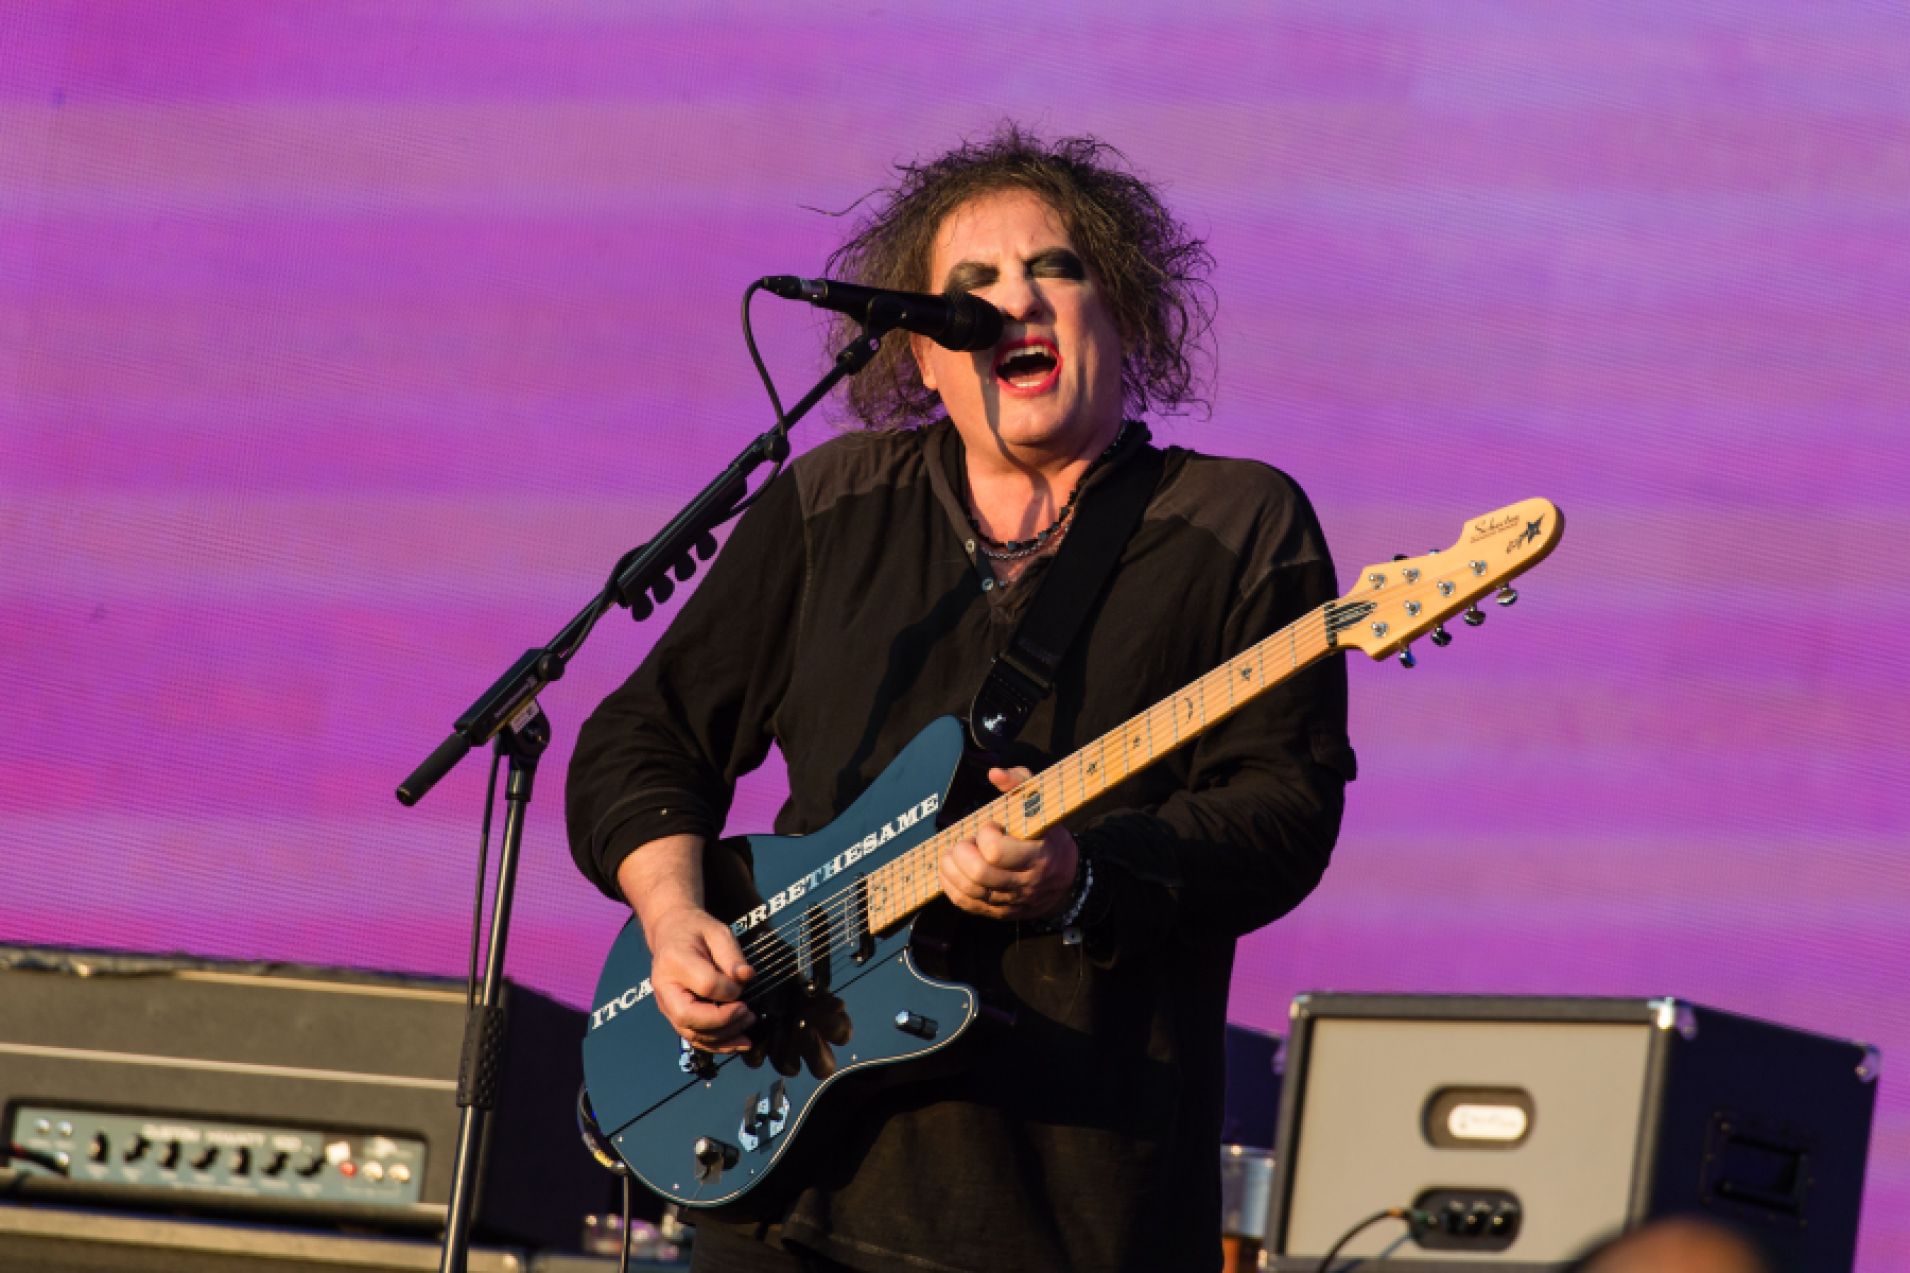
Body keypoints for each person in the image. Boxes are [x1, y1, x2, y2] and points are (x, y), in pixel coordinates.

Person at [566, 125, 1356, 1273]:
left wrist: (1082, 873)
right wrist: (673, 912)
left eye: (1056, 269)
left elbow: (1285, 810)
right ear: (922, 354)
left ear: (1124, 312)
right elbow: (647, 732)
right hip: (784, 1192)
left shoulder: (1237, 526)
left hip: (1073, 1201)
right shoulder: (833, 501)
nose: (1012, 303)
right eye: (970, 288)